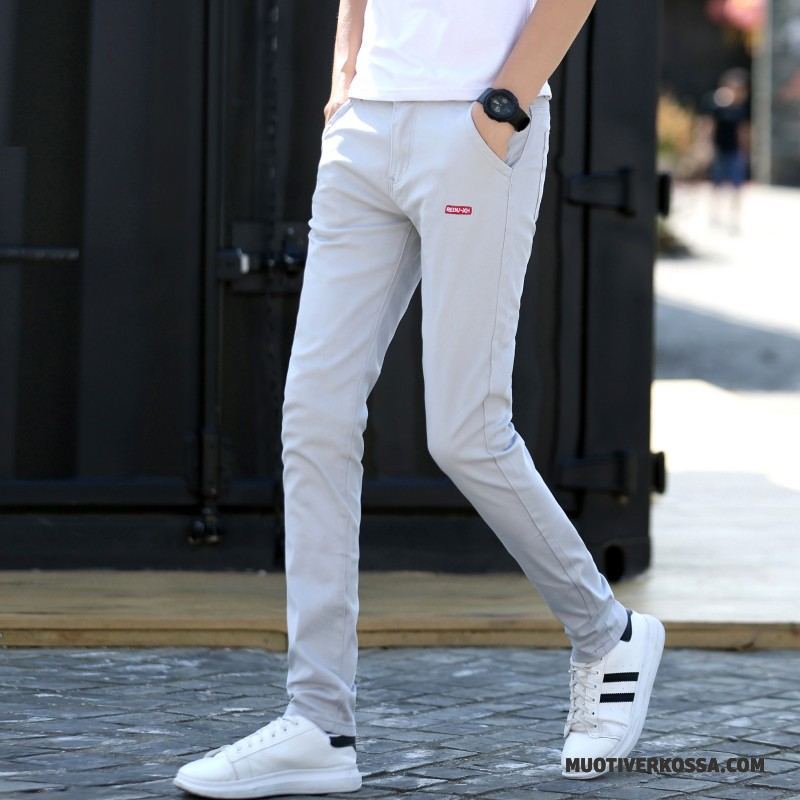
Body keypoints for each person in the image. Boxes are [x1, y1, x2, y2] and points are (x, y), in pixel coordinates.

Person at [174, 1, 665, 796]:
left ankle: (607, 633)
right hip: (367, 126)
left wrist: (503, 106)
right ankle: (319, 721)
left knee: (467, 431)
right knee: (314, 417)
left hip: (477, 121)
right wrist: (345, 84)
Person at [700, 67, 751, 233]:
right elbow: (709, 126)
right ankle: (714, 214)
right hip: (719, 149)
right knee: (716, 184)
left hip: (734, 151)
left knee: (737, 186)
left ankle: (734, 218)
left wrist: (745, 151)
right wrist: (706, 146)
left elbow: (743, 131)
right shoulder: (717, 105)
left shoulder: (740, 109)